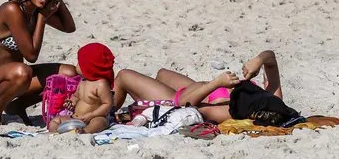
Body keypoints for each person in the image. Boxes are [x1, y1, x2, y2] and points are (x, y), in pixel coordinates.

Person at [113, 50, 282, 123]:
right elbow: (271, 59)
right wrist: (259, 60)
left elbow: (185, 105)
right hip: (194, 87)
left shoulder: (232, 111)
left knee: (124, 76)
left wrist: (216, 83)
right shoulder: (273, 100)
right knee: (162, 73)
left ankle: (106, 110)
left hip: (176, 99)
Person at [48, 43, 115, 134]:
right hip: (76, 117)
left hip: (92, 118)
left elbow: (108, 104)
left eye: (79, 63)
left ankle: (86, 131)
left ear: (90, 67)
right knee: (55, 121)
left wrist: (92, 114)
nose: (76, 65)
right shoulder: (83, 82)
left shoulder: (101, 84)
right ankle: (54, 133)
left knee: (100, 122)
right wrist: (71, 102)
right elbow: (76, 96)